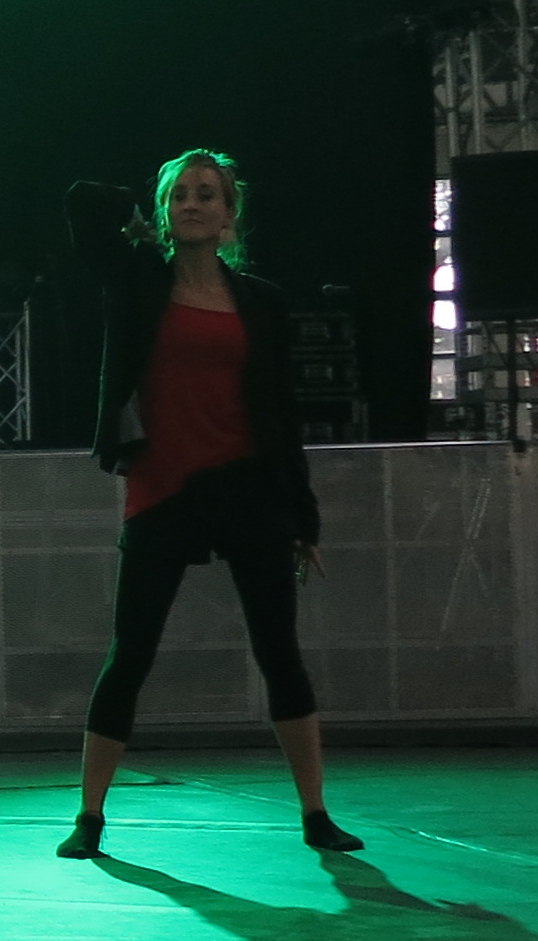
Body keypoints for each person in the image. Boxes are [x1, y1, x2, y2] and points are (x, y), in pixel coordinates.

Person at [57, 151, 359, 861]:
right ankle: (90, 816)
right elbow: (80, 201)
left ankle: (316, 813)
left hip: (250, 487)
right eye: (180, 196)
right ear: (165, 213)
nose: (192, 205)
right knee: (131, 652)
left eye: (206, 195)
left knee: (279, 651)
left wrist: (302, 515)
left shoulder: (261, 300)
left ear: (230, 214)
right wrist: (138, 210)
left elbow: (280, 411)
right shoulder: (139, 280)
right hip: (164, 487)